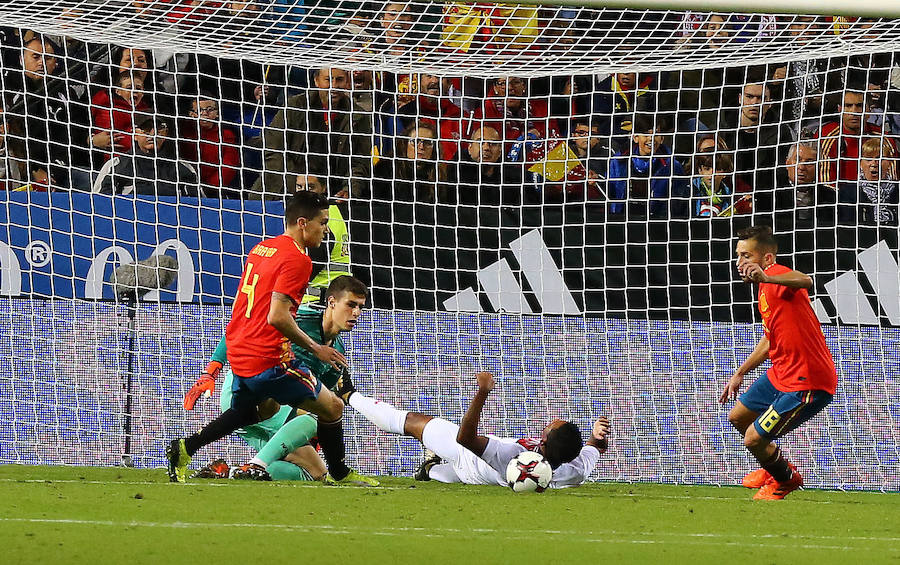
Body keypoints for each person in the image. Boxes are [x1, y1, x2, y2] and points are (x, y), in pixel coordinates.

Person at [167, 191, 356, 484]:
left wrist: (217, 365)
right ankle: (341, 475)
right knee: (332, 407)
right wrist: (316, 348)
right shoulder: (298, 260)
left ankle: (185, 448)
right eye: (322, 223)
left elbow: (242, 308)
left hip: (241, 352)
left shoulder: (261, 249)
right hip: (268, 358)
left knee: (250, 412)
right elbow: (277, 317)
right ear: (303, 223)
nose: (326, 230)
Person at [187, 275, 377, 485]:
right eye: (351, 305)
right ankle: (256, 465)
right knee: (313, 418)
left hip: (274, 410)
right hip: (245, 388)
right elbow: (242, 329)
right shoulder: (299, 319)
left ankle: (228, 472)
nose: (357, 313)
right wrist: (211, 370)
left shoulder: (336, 356)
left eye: (360, 307)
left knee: (315, 472)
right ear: (331, 302)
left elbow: (312, 406)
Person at [720, 225, 837, 500]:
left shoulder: (775, 276)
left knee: (753, 438)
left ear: (767, 258)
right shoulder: (765, 287)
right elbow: (770, 340)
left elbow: (806, 280)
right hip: (781, 373)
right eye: (738, 256)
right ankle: (773, 467)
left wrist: (769, 278)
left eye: (747, 256)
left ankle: (785, 480)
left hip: (807, 380)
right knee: (738, 417)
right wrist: (739, 374)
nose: (740, 263)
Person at [338, 370, 610, 487]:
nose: (545, 425)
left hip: (467, 455)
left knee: (410, 423)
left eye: (548, 428)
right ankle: (430, 468)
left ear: (545, 441)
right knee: (437, 474)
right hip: (475, 478)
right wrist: (597, 436)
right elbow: (593, 449)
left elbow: (465, 439)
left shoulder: (513, 457)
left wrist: (481, 392)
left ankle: (348, 394)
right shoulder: (574, 469)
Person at [98, 114, 199, 196]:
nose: (152, 134)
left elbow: (199, 207)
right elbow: (99, 203)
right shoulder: (115, 165)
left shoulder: (183, 168)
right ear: (134, 134)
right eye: (146, 129)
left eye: (159, 129)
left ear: (166, 134)